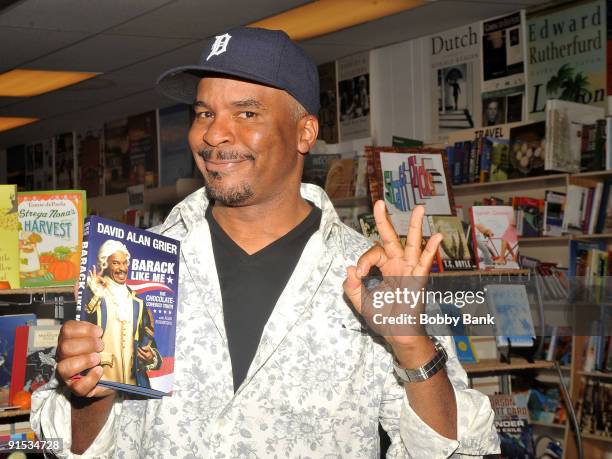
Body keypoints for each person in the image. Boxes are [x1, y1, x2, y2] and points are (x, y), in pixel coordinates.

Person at [32, 27, 500, 457]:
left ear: (305, 132)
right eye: (204, 113)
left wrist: (411, 343)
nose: (214, 133)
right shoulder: (131, 263)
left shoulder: (374, 272)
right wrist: (90, 394)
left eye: (247, 112)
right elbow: (68, 445)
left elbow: (459, 450)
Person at [81, 240, 161, 387]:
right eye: (116, 263)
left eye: (125, 263)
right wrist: (94, 292)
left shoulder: (138, 302)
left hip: (134, 382)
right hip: (101, 380)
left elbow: (149, 341)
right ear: (105, 264)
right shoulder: (94, 294)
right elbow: (84, 323)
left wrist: (151, 356)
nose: (122, 268)